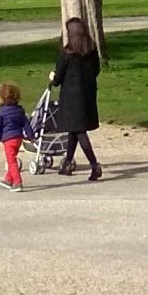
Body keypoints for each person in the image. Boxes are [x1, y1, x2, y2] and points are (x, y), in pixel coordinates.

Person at [47, 17, 103, 181]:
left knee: (79, 130)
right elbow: (96, 70)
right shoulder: (91, 51)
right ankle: (68, 162)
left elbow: (57, 79)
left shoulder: (67, 54)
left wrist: (52, 77)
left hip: (72, 98)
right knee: (74, 128)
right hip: (87, 95)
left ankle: (94, 164)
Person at [0, 81, 32, 191]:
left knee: (11, 161)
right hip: (18, 139)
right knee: (12, 159)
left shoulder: (0, 112)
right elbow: (26, 124)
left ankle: (17, 182)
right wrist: (31, 136)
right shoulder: (19, 110)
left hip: (8, 140)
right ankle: (8, 179)